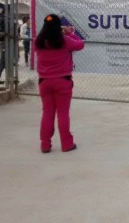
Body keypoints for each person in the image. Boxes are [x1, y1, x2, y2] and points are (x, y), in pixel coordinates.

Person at [34, 14, 84, 153]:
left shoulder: (38, 41)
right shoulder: (64, 40)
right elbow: (80, 45)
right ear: (58, 26)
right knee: (63, 113)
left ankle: (45, 144)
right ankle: (67, 144)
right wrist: (70, 33)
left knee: (47, 113)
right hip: (62, 80)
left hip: (44, 81)